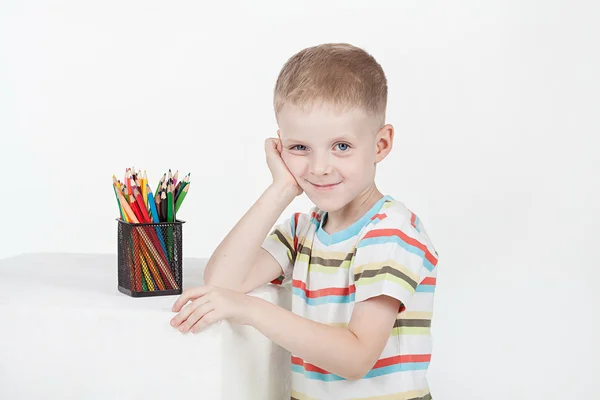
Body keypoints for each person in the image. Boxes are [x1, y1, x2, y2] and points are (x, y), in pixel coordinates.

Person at [170, 43, 440, 400]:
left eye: (341, 146)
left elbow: (356, 357)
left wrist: (251, 309)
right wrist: (281, 187)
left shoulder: (390, 231)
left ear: (380, 144)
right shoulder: (303, 230)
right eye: (300, 148)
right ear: (280, 147)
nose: (319, 167)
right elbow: (223, 282)